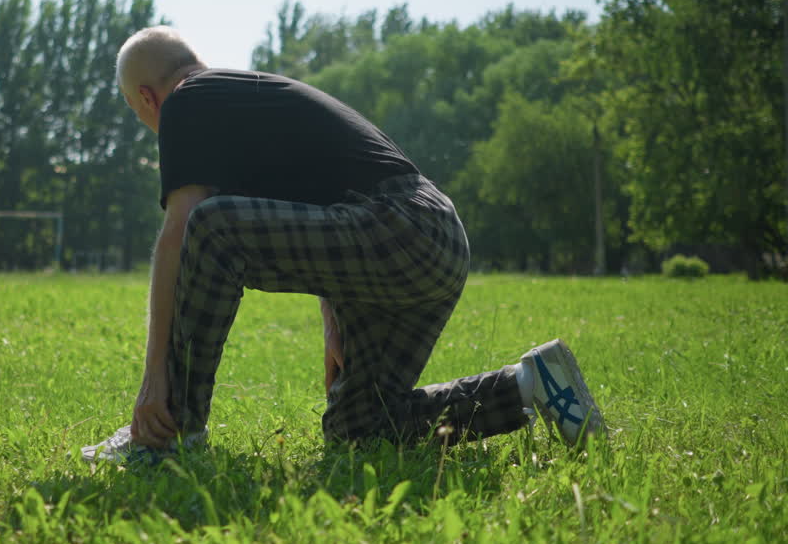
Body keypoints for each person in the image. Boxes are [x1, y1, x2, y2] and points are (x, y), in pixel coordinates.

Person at [81, 26, 604, 464]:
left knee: (211, 227)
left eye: (138, 113)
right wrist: (334, 319)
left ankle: (169, 433)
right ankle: (532, 384)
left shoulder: (187, 100)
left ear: (147, 98)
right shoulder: (243, 101)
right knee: (360, 429)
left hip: (398, 226)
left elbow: (180, 234)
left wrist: (154, 382)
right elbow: (323, 195)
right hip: (432, 239)